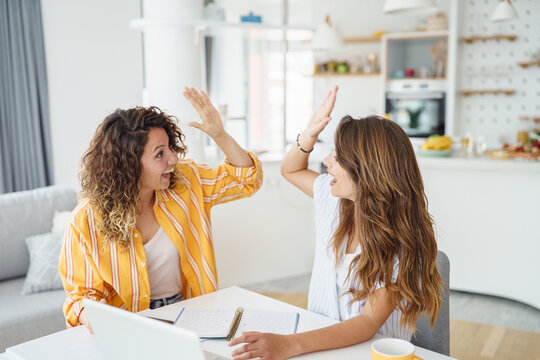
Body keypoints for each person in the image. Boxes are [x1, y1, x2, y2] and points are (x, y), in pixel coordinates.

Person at [229, 86, 442, 360]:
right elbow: (290, 169)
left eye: (338, 156)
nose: (327, 161)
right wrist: (309, 133)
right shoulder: (335, 201)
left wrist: (290, 345)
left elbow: (366, 323)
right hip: (319, 345)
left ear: (368, 172)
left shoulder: (402, 242)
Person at [59, 88, 262, 331]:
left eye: (170, 148)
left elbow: (247, 179)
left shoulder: (187, 182)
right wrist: (93, 316)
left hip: (190, 312)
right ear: (129, 165)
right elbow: (79, 296)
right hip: (129, 323)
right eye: (160, 154)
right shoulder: (86, 220)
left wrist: (220, 136)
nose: (173, 159)